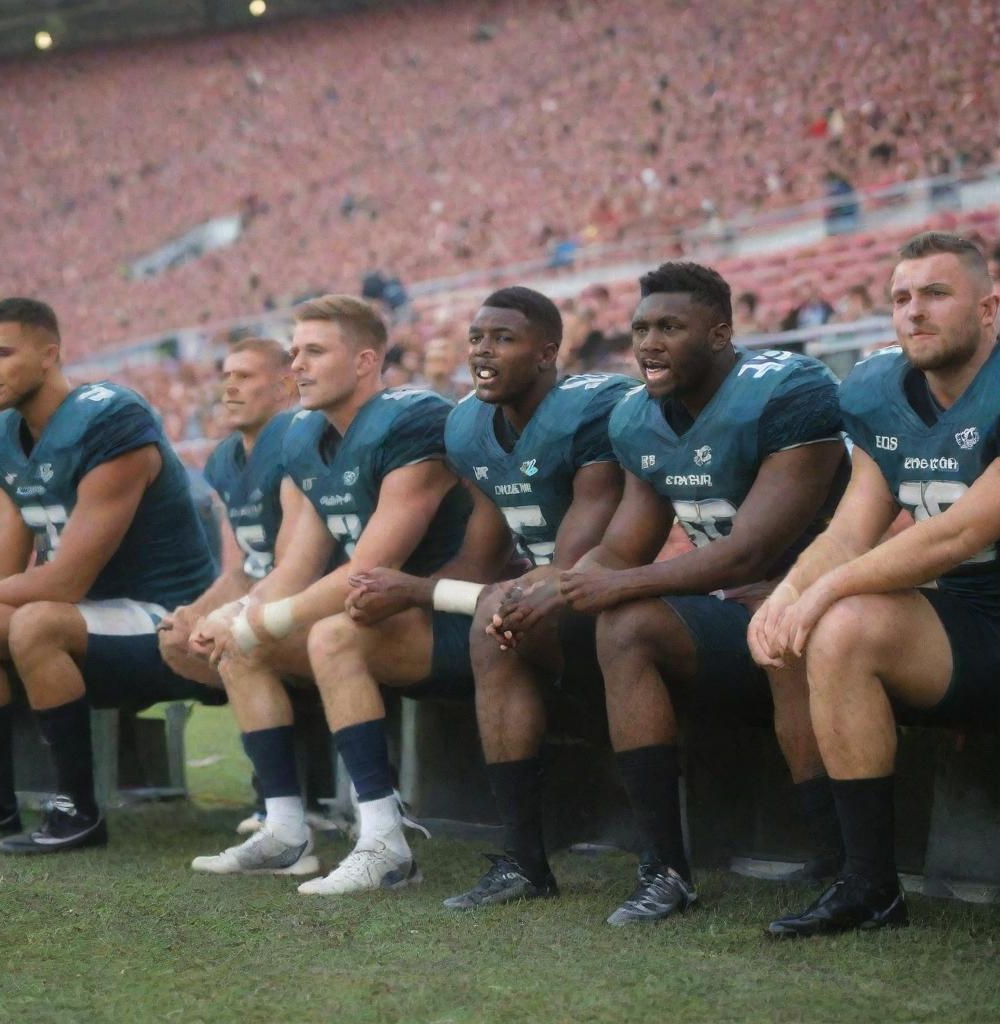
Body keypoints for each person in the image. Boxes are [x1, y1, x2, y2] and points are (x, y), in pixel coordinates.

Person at [305, 286, 635, 898]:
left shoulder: (591, 411)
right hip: (524, 606)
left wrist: (413, 589)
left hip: (614, 598)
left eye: (503, 339)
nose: (483, 352)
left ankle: (553, 855)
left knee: (500, 623)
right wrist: (410, 592)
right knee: (344, 631)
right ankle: (407, 841)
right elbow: (479, 560)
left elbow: (568, 568)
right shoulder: (471, 426)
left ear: (546, 353)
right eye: (476, 339)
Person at [552, 262, 848, 925]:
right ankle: (664, 868)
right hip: (734, 604)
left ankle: (840, 856)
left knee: (784, 637)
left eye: (669, 327)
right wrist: (559, 587)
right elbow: (623, 548)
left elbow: (750, 551)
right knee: (623, 626)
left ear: (719, 333)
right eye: (641, 328)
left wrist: (614, 582)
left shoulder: (787, 389)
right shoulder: (637, 415)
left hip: (820, 595)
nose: (648, 343)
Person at [749, 232, 1000, 936]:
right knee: (841, 629)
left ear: (989, 307)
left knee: (839, 606)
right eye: (901, 297)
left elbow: (960, 532)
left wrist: (827, 590)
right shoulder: (878, 391)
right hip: (973, 618)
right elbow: (848, 531)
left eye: (936, 294)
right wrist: (789, 593)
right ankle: (869, 885)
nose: (913, 312)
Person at [188, 295, 471, 877]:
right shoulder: (306, 437)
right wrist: (240, 612)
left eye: (314, 351)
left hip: (454, 613)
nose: (296, 366)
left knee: (332, 636)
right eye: (294, 352)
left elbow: (368, 568)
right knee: (241, 647)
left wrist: (261, 619)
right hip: (381, 614)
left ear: (366, 361)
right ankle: (284, 830)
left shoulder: (412, 420)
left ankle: (384, 842)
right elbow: (297, 564)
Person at [0, 297, 219, 852]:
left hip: (167, 613)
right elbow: (0, 564)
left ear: (49, 355)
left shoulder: (110, 421)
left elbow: (64, 583)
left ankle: (78, 811)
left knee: (36, 623)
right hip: (89, 613)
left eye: (2, 353)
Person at [158, 337, 296, 690]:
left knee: (236, 642)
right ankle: (280, 716)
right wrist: (195, 611)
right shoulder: (224, 459)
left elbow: (299, 568)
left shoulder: (300, 441)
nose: (230, 387)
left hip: (305, 597)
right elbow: (244, 567)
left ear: (284, 387)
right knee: (176, 641)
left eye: (245, 376)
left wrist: (231, 614)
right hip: (262, 595)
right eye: (227, 375)